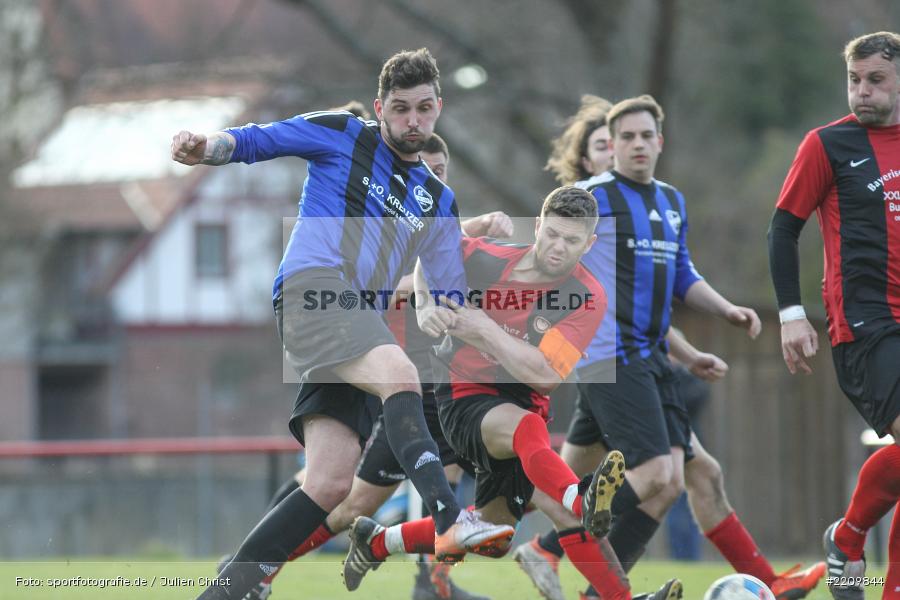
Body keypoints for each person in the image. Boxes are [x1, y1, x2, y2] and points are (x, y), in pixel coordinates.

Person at [172, 48, 515, 600]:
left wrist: (500, 317)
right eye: (400, 109)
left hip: (355, 321)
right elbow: (262, 138)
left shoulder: (438, 201)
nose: (412, 121)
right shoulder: (343, 133)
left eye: (424, 109)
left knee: (330, 482)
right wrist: (206, 148)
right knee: (400, 376)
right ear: (380, 107)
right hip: (313, 291)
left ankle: (227, 591)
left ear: (438, 108)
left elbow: (451, 295)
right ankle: (451, 518)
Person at [514, 94, 822, 600]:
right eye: (626, 137)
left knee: (673, 483)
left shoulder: (671, 202)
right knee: (658, 473)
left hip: (651, 357)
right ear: (611, 146)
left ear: (661, 140)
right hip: (606, 358)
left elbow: (681, 274)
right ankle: (545, 542)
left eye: (645, 135)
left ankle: (591, 583)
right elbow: (543, 259)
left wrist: (725, 309)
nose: (637, 144)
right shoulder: (592, 198)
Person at [342, 185, 684, 600]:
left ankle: (377, 542)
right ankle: (582, 500)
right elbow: (428, 254)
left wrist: (483, 329)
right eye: (552, 234)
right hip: (462, 394)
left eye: (572, 241)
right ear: (537, 225)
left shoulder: (586, 297)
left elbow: (543, 377)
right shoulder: (484, 255)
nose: (558, 247)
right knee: (562, 491)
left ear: (589, 243)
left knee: (494, 534)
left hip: (526, 402)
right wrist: (426, 305)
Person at [768, 30, 900, 600]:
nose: (862, 92)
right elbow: (783, 229)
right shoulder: (827, 144)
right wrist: (791, 313)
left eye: (876, 80)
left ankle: (846, 539)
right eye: (854, 80)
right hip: (865, 324)